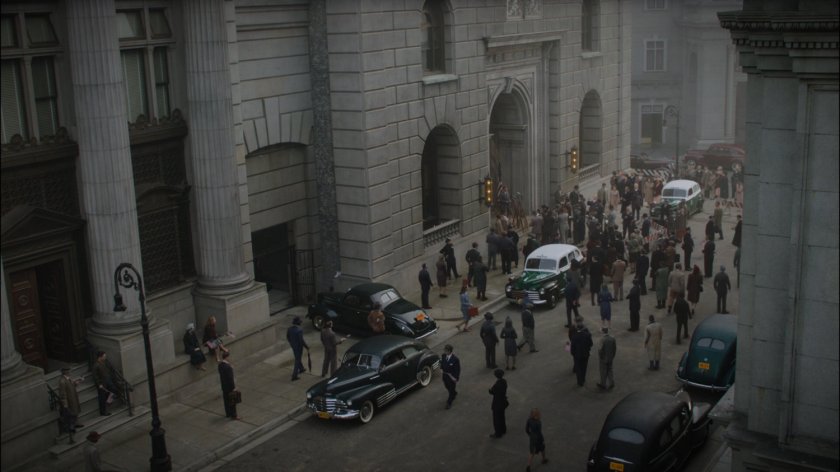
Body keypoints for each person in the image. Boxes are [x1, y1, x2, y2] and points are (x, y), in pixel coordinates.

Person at [58, 367, 83, 444]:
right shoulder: (62, 381)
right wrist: (65, 405)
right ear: (65, 372)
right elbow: (63, 395)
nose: (70, 372)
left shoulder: (68, 379)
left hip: (73, 401)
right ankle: (71, 439)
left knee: (73, 418)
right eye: (68, 370)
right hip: (69, 404)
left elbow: (71, 386)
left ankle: (76, 425)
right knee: (70, 422)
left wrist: (76, 383)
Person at [218, 350, 240, 419]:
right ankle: (234, 415)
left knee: (226, 400)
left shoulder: (220, 365)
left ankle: (228, 413)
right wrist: (233, 387)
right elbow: (230, 379)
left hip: (224, 386)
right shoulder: (228, 367)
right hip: (230, 387)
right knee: (232, 401)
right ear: (227, 357)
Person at [93, 351, 116, 416]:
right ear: (100, 357)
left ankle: (108, 403)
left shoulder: (104, 363)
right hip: (102, 384)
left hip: (107, 382)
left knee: (113, 391)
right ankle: (103, 412)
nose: (105, 357)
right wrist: (99, 384)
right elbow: (95, 376)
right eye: (104, 356)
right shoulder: (96, 365)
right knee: (102, 398)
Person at [570, 321, 593, 387]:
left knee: (578, 368)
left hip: (577, 356)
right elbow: (591, 344)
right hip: (586, 354)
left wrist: (573, 354)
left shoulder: (574, 337)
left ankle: (580, 381)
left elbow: (572, 347)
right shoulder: (587, 335)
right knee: (584, 367)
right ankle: (583, 378)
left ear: (577, 328)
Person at [286, 316, 309, 381]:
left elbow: (288, 337)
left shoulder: (289, 329)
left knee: (297, 357)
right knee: (297, 360)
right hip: (299, 347)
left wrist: (292, 343)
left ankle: (301, 368)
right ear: (298, 323)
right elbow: (301, 340)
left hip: (293, 346)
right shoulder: (299, 330)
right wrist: (306, 347)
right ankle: (294, 375)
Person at [488, 369, 508, 438]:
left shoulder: (497, 385)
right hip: (503, 401)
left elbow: (492, 392)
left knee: (497, 419)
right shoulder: (504, 381)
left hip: (497, 403)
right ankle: (503, 429)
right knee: (502, 416)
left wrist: (490, 390)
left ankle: (498, 433)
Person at [441, 344, 460, 409]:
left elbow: (457, 370)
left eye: (446, 350)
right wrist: (441, 367)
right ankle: (454, 393)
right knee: (447, 387)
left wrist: (456, 378)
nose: (444, 351)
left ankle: (449, 403)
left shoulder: (455, 359)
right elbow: (442, 363)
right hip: (445, 376)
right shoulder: (443, 356)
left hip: (452, 377)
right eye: (444, 350)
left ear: (449, 351)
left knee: (451, 390)